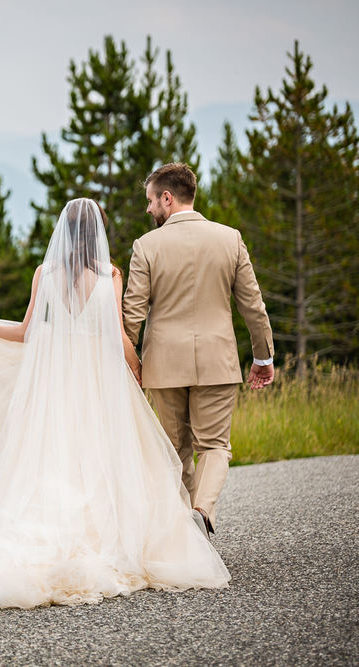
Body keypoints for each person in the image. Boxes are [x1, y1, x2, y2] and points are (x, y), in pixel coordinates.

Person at [0, 198, 230, 613]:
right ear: (98, 235)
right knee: (103, 457)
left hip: (53, 383)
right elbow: (119, 336)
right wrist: (139, 368)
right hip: (99, 382)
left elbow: (28, 331)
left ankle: (39, 545)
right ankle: (110, 542)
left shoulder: (45, 274)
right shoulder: (110, 275)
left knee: (48, 458)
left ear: (63, 234)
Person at [123, 163, 274, 536]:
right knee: (214, 446)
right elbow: (253, 305)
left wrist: (130, 361)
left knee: (175, 450)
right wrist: (263, 356)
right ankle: (202, 512)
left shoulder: (147, 246)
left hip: (163, 364)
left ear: (167, 198)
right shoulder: (229, 238)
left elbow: (132, 312)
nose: (148, 209)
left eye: (151, 201)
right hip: (217, 360)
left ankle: (187, 534)